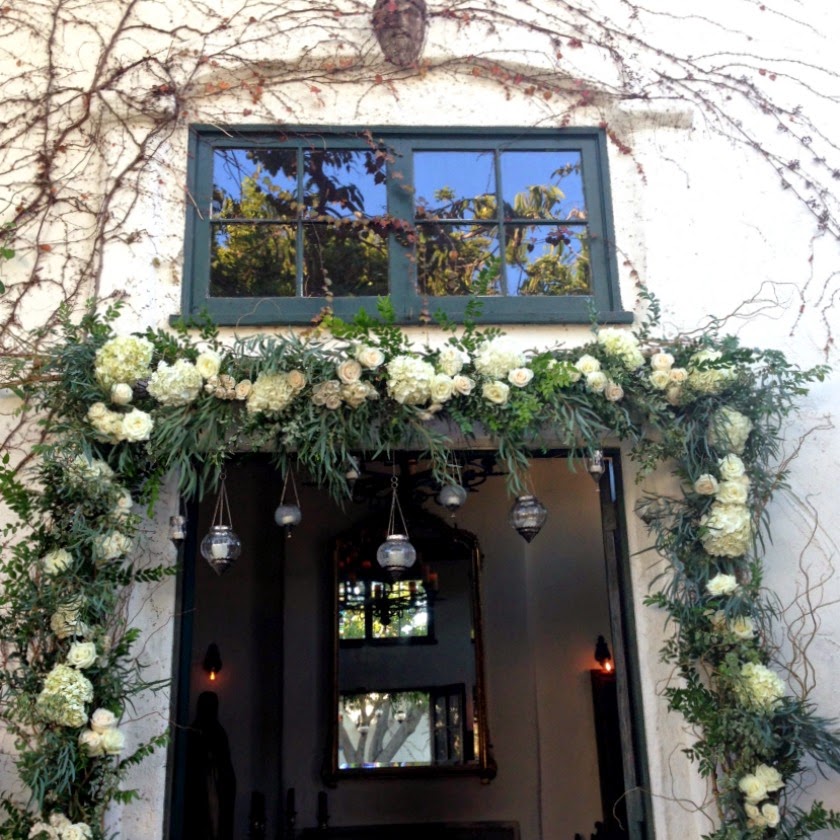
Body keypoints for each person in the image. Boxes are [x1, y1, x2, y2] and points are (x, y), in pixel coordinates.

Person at [185, 691, 237, 839]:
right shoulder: (194, 731)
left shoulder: (218, 733)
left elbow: (224, 763)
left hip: (216, 786)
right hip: (199, 788)